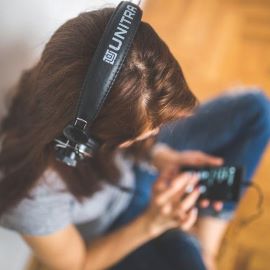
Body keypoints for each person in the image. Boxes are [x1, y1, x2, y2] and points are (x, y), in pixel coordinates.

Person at [0, 4, 269, 270]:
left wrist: (158, 155)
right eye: (139, 133)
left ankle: (206, 248)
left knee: (256, 110)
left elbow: (138, 136)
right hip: (120, 225)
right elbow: (79, 264)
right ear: (81, 143)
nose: (155, 134)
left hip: (135, 168)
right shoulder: (27, 196)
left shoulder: (67, 80)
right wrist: (152, 223)